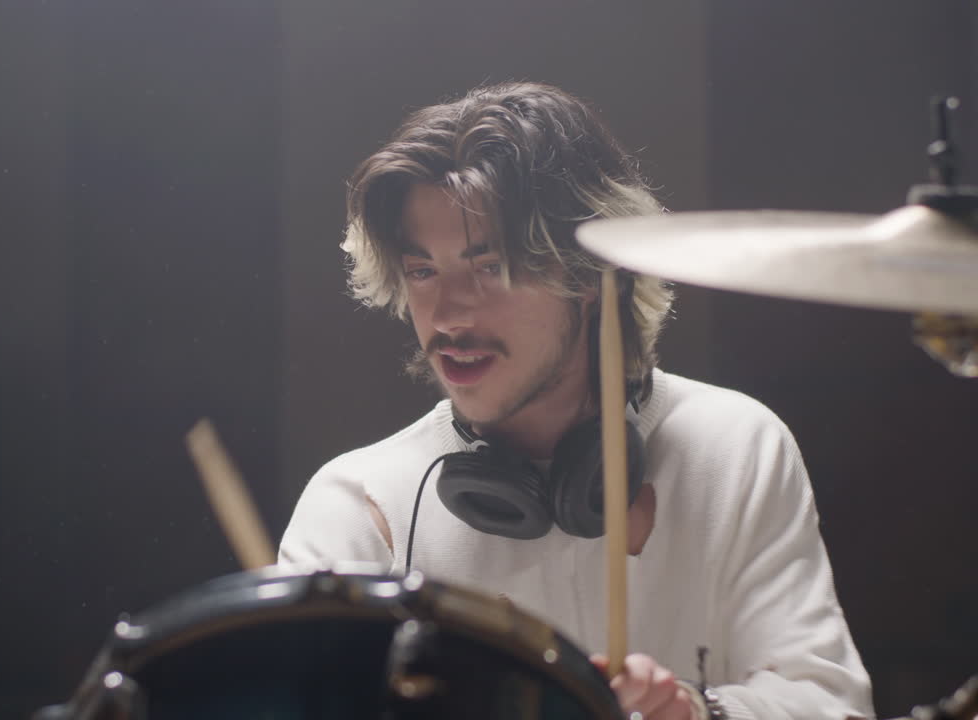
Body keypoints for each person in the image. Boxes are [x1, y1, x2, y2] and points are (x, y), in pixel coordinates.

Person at [277, 82, 874, 720]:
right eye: (423, 271)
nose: (446, 315)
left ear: (588, 272)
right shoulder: (359, 506)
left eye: (490, 267)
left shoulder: (734, 447)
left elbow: (829, 704)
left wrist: (694, 711)